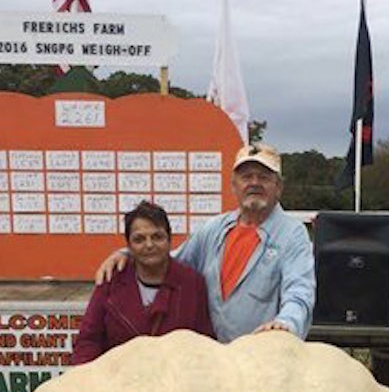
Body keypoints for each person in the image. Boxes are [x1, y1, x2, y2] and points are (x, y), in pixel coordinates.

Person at [96, 144, 315, 343]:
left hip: (260, 362)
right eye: (246, 176)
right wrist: (130, 254)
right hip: (211, 361)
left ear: (279, 186)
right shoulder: (214, 228)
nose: (254, 183)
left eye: (264, 177)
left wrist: (287, 324)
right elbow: (171, 262)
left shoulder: (293, 235)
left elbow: (299, 291)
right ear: (233, 185)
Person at [72, 201, 213, 364]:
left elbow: (204, 344)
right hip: (119, 383)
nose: (149, 245)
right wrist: (86, 381)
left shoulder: (193, 284)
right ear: (129, 245)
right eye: (139, 239)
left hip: (175, 384)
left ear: (169, 239)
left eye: (157, 237)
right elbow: (89, 340)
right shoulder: (111, 280)